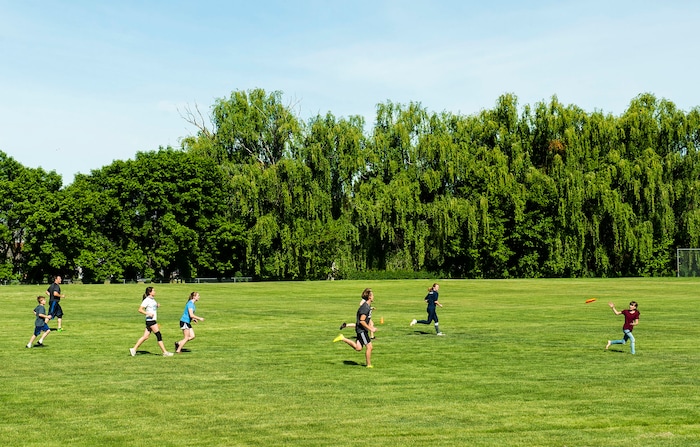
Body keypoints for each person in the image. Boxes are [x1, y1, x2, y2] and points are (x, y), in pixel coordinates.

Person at [333, 288, 377, 368]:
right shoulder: (365, 307)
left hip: (361, 329)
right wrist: (371, 328)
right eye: (372, 295)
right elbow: (362, 321)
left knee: (358, 348)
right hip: (361, 330)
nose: (374, 296)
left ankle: (342, 338)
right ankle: (369, 365)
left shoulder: (367, 306)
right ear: (369, 297)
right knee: (369, 347)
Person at [130, 287, 174, 357]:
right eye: (153, 291)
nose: (155, 292)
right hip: (151, 320)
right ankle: (165, 352)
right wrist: (148, 314)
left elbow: (152, 307)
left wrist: (157, 306)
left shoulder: (152, 299)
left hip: (151, 320)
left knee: (145, 336)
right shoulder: (146, 300)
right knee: (158, 335)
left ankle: (134, 349)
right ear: (149, 292)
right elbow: (140, 310)